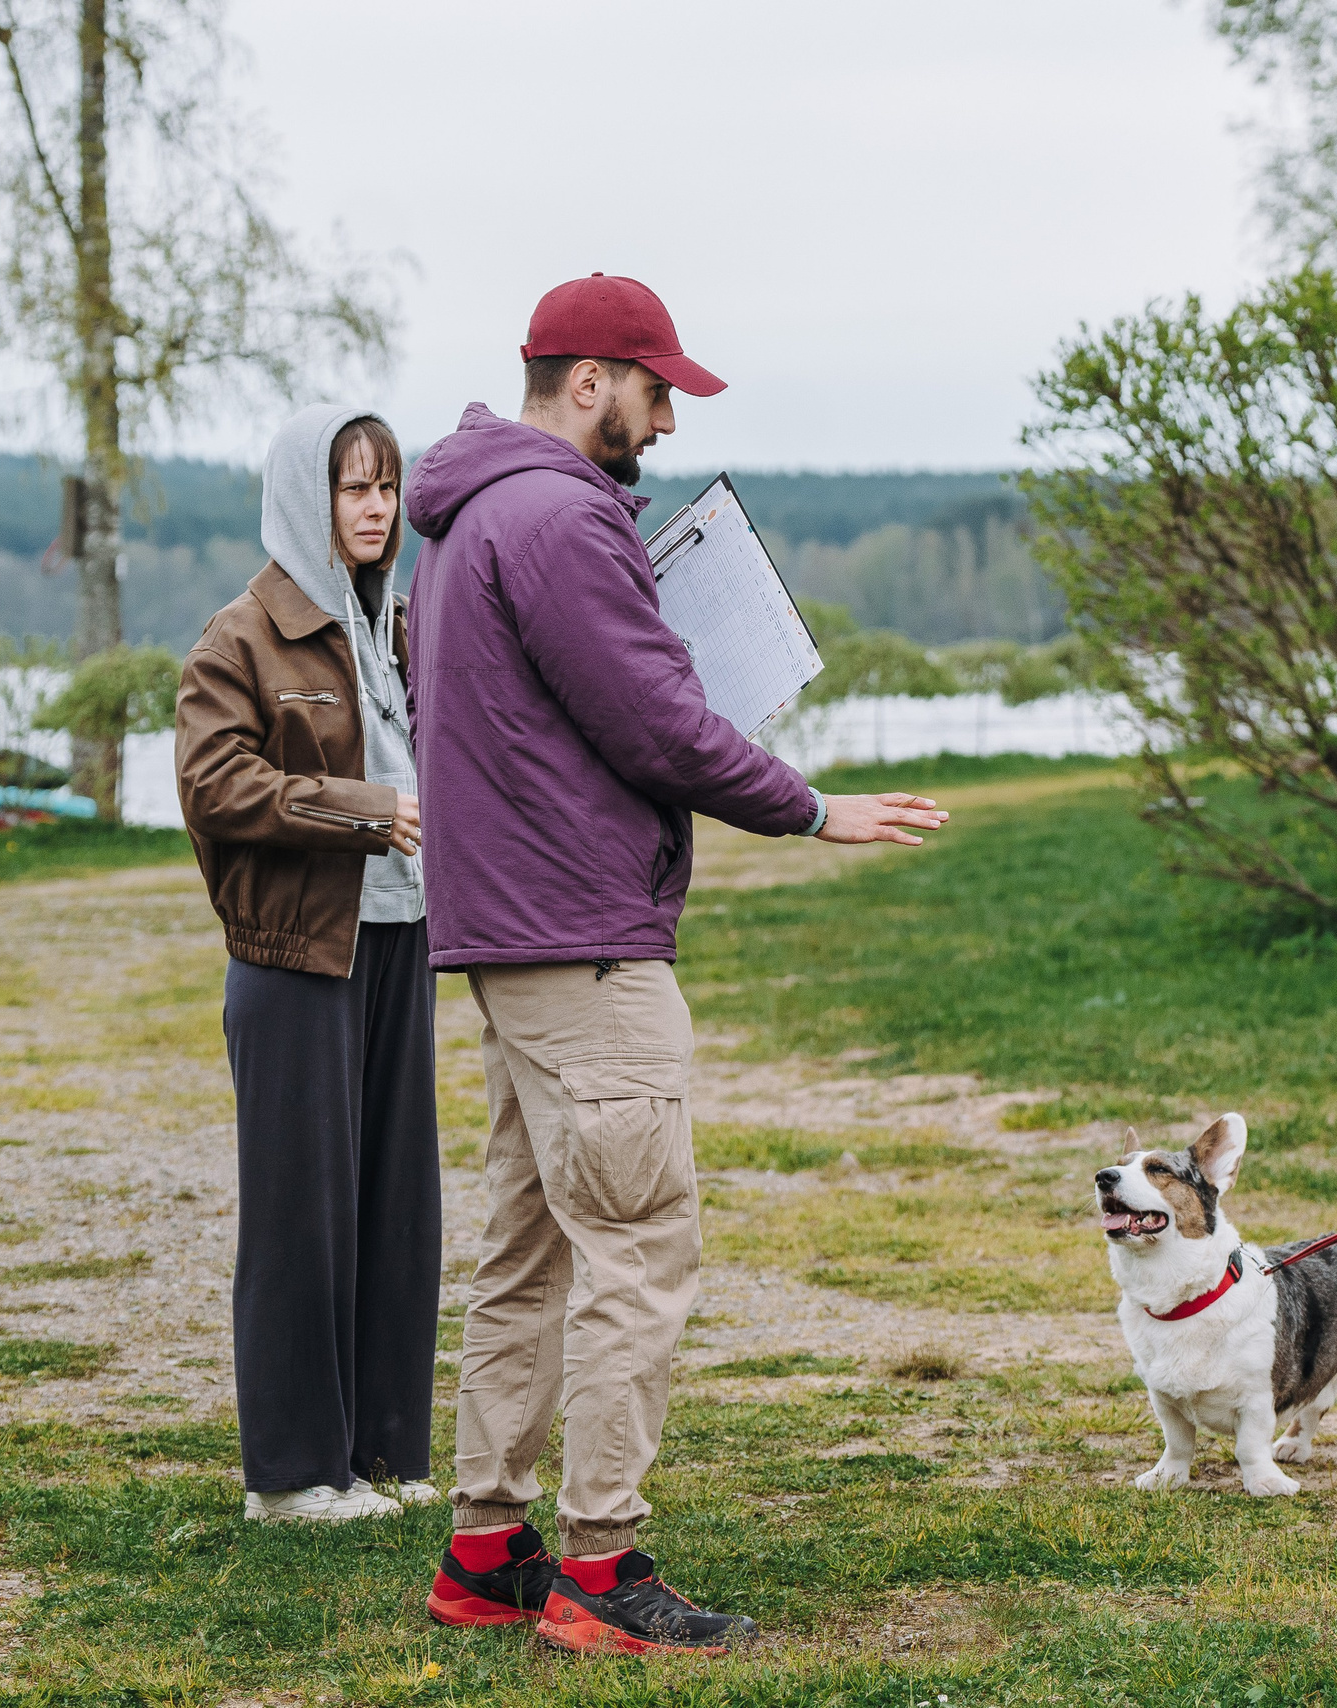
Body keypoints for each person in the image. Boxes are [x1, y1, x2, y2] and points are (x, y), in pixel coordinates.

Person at [405, 274, 947, 1654]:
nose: (660, 422)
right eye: (654, 392)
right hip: (584, 939)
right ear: (587, 382)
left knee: (528, 1247)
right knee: (640, 1246)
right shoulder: (559, 515)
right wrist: (816, 807)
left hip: (515, 936)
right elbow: (655, 722)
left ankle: (485, 1548)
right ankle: (601, 1571)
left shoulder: (469, 520)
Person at [175, 405, 442, 1523]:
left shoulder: (395, 629)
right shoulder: (238, 638)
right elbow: (214, 785)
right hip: (293, 960)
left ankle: (382, 1453)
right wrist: (364, 811)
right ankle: (289, 1477)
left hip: (398, 944)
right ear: (304, 498)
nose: (376, 508)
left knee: (396, 1207)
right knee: (303, 1216)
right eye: (351, 488)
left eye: (386, 487)